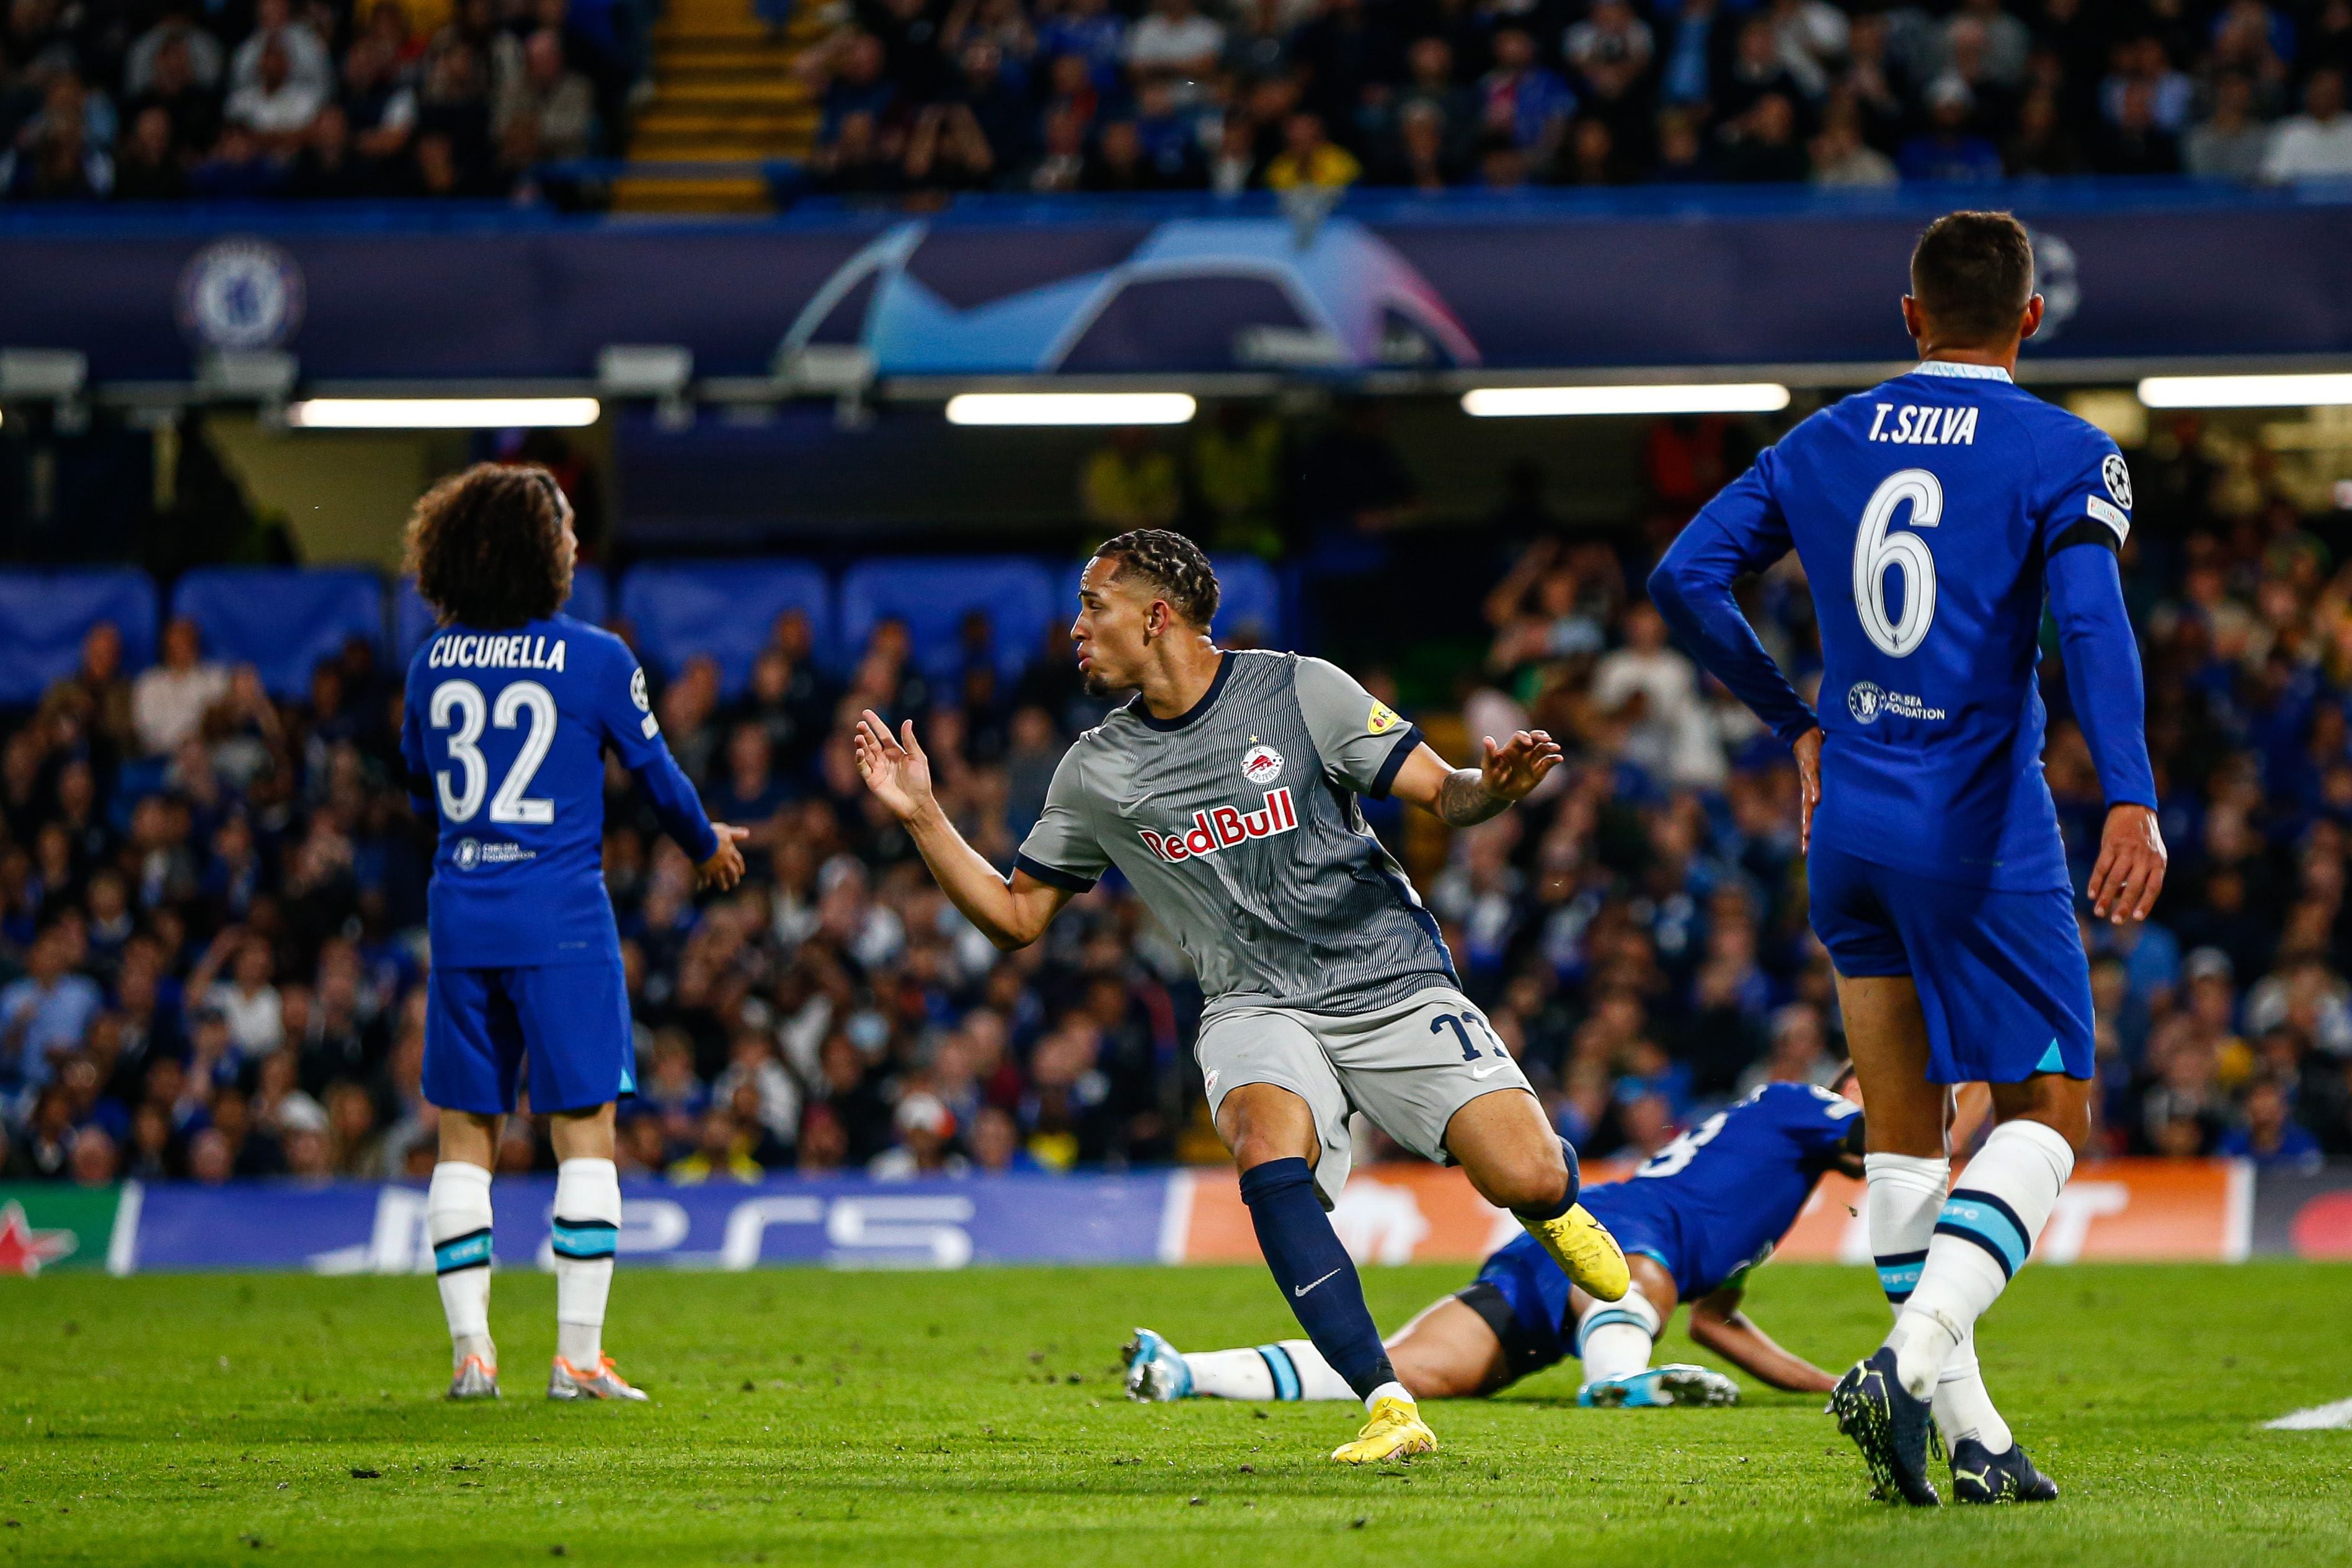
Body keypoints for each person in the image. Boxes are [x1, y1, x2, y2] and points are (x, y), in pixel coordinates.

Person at [854, 528, 1628, 1466]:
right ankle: (1386, 1403)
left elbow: (1444, 794)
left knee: (1524, 1175)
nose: (1076, 629)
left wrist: (1490, 789)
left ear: (1156, 614)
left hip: (1387, 978)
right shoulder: (1098, 770)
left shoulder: (1304, 691)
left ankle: (1554, 1205)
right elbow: (1018, 917)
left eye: (1093, 606)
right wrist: (926, 818)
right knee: (1266, 1146)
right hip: (1253, 1003)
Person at [1649, 210, 2165, 1507]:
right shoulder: (2064, 451)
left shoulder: (1822, 438)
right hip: (1979, 824)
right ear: (2032, 320)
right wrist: (2132, 797)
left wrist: (1796, 720)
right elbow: (2091, 628)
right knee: (2049, 1108)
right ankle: (1907, 1353)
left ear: (1910, 315)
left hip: (1851, 828)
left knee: (1901, 1140)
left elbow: (1684, 576)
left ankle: (1972, 1434)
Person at [399, 464, 748, 1402]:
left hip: (461, 913)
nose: (572, 545)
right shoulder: (595, 657)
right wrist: (706, 845)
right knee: (582, 1128)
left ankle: (472, 1354)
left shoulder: (430, 660)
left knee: (463, 1135)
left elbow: (415, 769)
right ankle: (578, 1357)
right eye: (560, 531)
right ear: (531, 549)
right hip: (561, 920)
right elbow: (659, 775)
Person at [1128, 1076, 1878, 1411]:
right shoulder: (1805, 1102)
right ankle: (1616, 1381)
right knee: (1638, 1276)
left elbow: (1715, 1322)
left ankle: (1183, 1372)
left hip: (1562, 1268)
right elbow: (1880, 1135)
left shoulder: (1772, 1205)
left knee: (1408, 1370)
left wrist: (1829, 1385)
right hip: (1617, 1230)